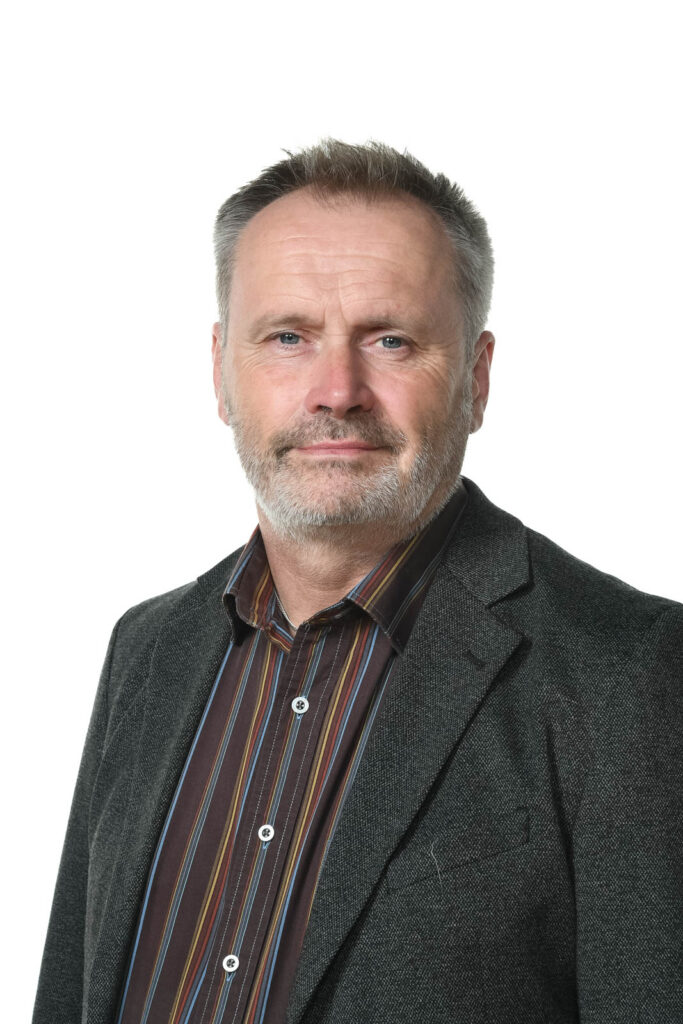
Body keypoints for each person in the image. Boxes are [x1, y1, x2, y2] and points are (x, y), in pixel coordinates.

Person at [33, 140, 682, 1024]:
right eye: (288, 337)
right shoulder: (147, 648)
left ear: (477, 379)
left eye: (390, 340)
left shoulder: (630, 672)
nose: (336, 391)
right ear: (222, 370)